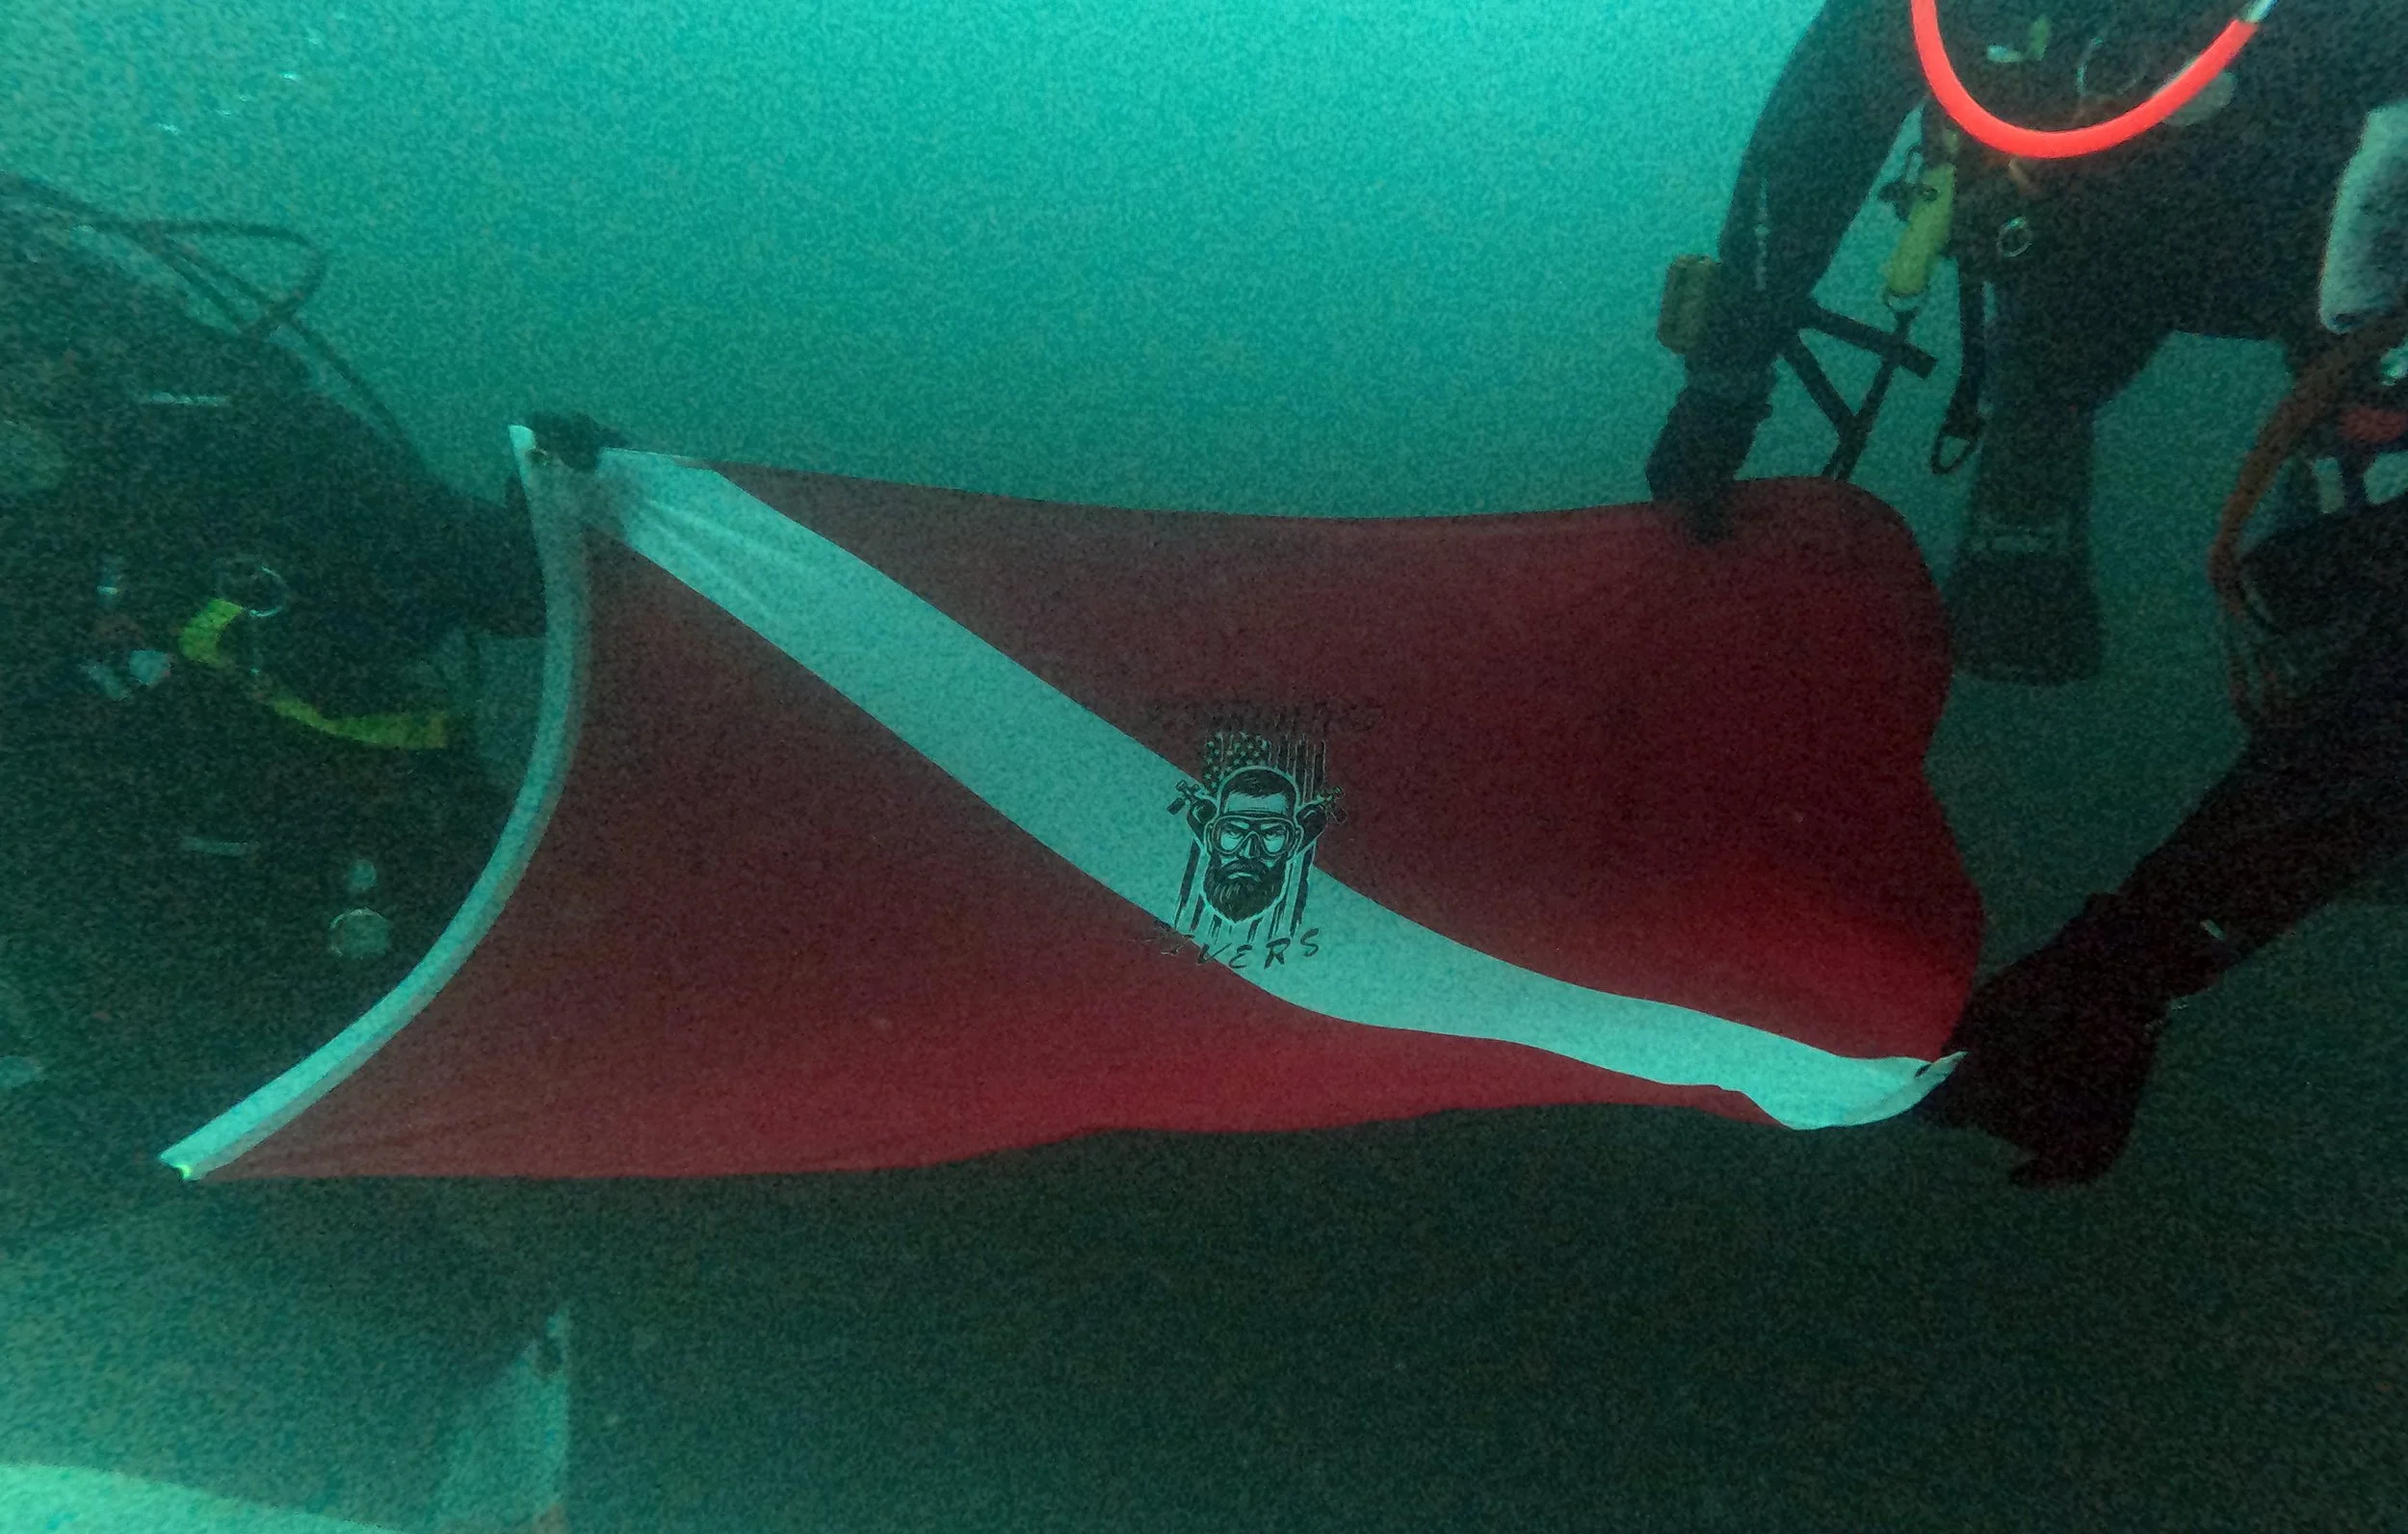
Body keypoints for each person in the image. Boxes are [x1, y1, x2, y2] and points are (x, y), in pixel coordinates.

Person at [1648, 1, 2408, 1182]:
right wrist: (1726, 377)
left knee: (2357, 654)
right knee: (2038, 494)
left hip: (2330, 257)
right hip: (2082, 246)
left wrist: (2122, 977)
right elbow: (1831, 104)